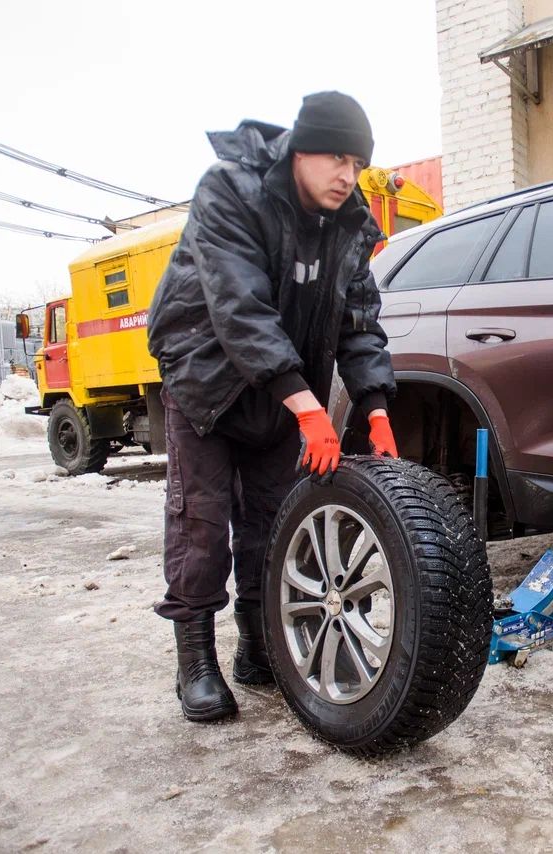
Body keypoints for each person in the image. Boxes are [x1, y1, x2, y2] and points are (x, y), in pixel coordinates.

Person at [146, 91, 399, 722]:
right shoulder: (231, 191)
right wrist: (309, 409)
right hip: (206, 380)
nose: (348, 175)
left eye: (358, 164)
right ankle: (195, 662)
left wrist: (375, 408)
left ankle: (259, 645)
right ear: (300, 150)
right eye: (337, 158)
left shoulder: (349, 224)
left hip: (280, 388)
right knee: (202, 523)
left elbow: (359, 322)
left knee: (270, 518)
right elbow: (241, 308)